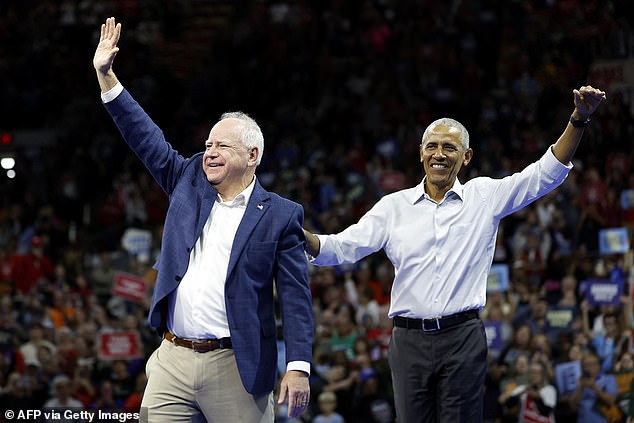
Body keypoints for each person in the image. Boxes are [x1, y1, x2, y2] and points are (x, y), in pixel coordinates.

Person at [304, 84, 606, 422]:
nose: (439, 154)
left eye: (450, 147)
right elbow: (343, 247)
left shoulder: (484, 197)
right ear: (420, 153)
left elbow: (543, 175)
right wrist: (304, 238)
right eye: (431, 146)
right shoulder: (393, 207)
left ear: (466, 157)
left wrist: (578, 119)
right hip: (408, 342)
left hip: (462, 339)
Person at [93, 17, 313, 422]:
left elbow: (297, 299)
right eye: (208, 144)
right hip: (172, 360)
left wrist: (298, 366)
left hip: (237, 367)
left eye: (222, 146)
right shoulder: (187, 180)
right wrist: (107, 78)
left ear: (252, 156)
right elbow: (146, 137)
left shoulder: (281, 215)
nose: (209, 152)